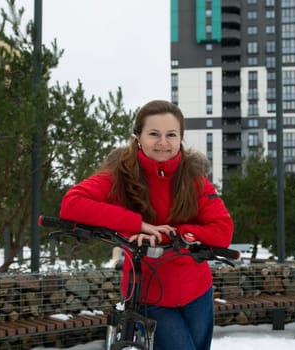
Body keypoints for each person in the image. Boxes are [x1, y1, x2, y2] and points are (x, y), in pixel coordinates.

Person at [59, 100, 234, 350]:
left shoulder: (194, 178)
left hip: (197, 292)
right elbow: (72, 204)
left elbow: (222, 231)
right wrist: (137, 224)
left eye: (171, 135)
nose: (163, 143)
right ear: (138, 136)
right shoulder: (120, 174)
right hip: (149, 294)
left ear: (180, 138)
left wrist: (173, 235)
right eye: (154, 134)